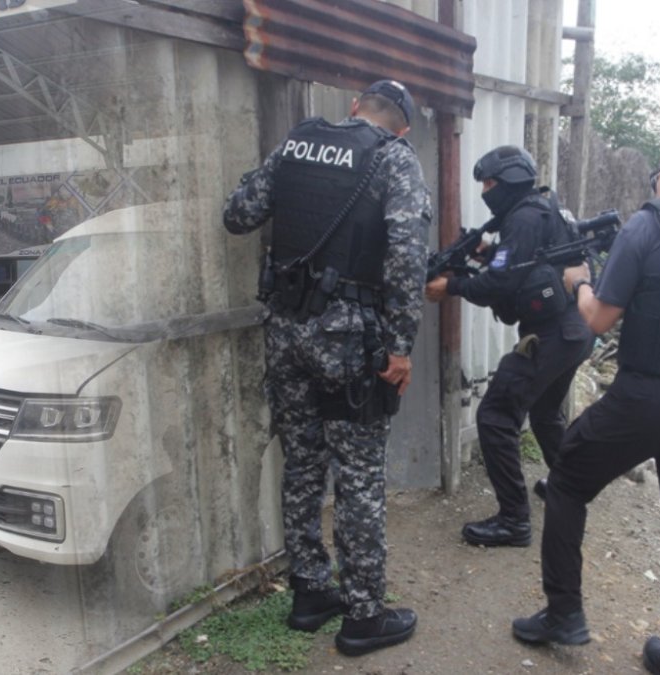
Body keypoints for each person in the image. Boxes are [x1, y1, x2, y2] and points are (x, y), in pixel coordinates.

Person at [512, 142, 660, 675]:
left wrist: (581, 281)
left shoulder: (651, 225)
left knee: (566, 481)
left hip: (644, 399)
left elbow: (596, 321)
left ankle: (564, 613)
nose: (656, 184)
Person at [222, 80, 430, 656]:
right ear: (402, 126)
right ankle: (364, 615)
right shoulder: (394, 159)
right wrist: (401, 346)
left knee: (303, 464)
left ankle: (310, 591)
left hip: (286, 332)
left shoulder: (296, 144)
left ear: (355, 108)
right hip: (349, 343)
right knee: (359, 476)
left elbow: (238, 215)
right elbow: (407, 257)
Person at [424, 146, 594, 547]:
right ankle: (569, 487)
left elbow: (498, 285)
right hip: (575, 331)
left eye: (490, 183)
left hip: (552, 335)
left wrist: (451, 286)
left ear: (510, 181)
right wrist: (487, 252)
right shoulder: (542, 208)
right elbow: (520, 263)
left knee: (496, 416)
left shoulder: (522, 217)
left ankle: (514, 521)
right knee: (546, 411)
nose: (485, 190)